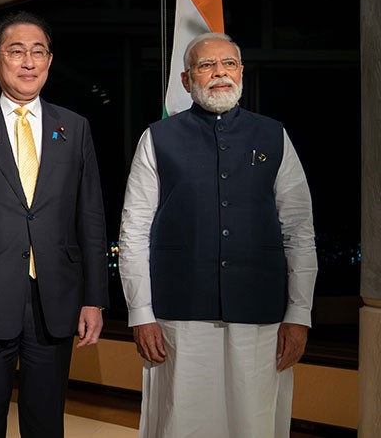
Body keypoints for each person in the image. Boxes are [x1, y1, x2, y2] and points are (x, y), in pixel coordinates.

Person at [118, 32, 317, 437]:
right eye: (205, 66)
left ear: (241, 72)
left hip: (260, 313)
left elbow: (299, 228)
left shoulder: (273, 136)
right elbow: (134, 230)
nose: (219, 73)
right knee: (182, 421)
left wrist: (299, 313)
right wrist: (141, 313)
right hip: (177, 314)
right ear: (187, 80)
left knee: (254, 422)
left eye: (228, 63)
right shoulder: (157, 138)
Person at [0, 11, 109, 437]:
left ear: (49, 61)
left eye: (38, 52)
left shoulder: (76, 128)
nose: (28, 62)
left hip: (56, 299)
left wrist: (95, 298)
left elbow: (90, 218)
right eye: (17, 52)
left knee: (46, 423)